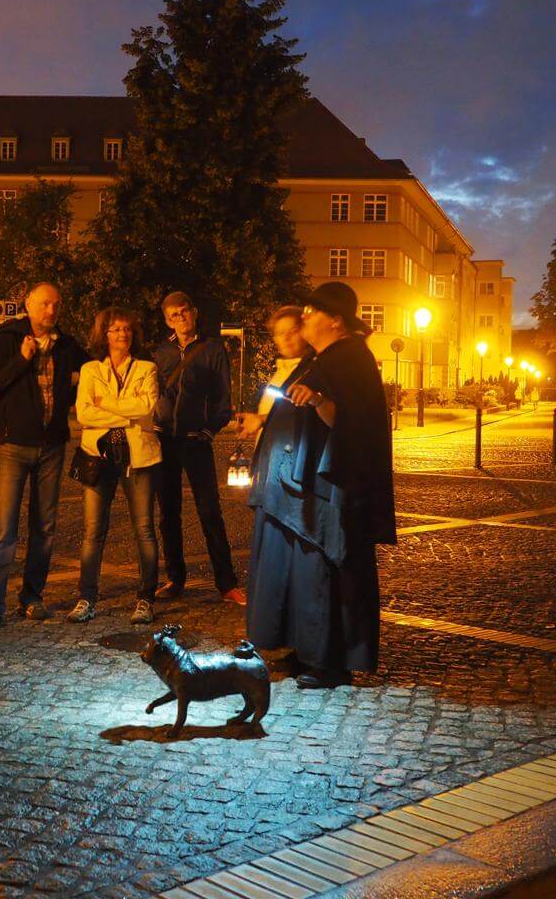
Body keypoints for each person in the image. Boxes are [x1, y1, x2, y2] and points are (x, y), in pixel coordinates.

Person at [245, 282, 396, 689]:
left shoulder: (351, 360)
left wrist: (316, 401)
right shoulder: (324, 358)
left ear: (336, 320)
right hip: (297, 490)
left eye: (312, 311)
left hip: (323, 492)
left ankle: (329, 660)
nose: (304, 316)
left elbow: (350, 424)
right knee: (299, 570)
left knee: (322, 573)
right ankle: (303, 647)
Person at [0, 282, 89, 628]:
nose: (51, 311)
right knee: (4, 528)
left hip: (52, 446)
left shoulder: (66, 345)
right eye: (44, 305)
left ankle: (32, 596)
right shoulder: (7, 338)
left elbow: (92, 374)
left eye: (56, 305)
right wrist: (22, 360)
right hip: (14, 445)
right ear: (28, 305)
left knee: (45, 526)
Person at [67, 307, 161, 625]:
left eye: (127, 329)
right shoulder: (91, 369)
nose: (122, 334)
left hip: (139, 457)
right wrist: (127, 413)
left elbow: (147, 405)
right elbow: (84, 413)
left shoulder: (147, 368)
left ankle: (146, 598)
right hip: (98, 455)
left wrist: (104, 404)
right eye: (115, 329)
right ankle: (86, 597)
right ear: (103, 334)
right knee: (93, 531)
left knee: (145, 530)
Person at [151, 291, 245, 606]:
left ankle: (226, 582)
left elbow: (222, 395)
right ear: (167, 320)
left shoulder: (212, 348)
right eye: (173, 315)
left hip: (196, 439)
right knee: (168, 513)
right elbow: (150, 392)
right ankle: (175, 578)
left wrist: (210, 428)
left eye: (185, 312)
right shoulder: (160, 351)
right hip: (164, 438)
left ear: (194, 312)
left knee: (210, 511)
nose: (181, 318)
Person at [238, 306, 313, 442]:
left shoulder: (311, 371)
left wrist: (263, 419)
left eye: (293, 331)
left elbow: (306, 417)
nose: (286, 338)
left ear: (305, 332)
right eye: (280, 333)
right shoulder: (280, 372)